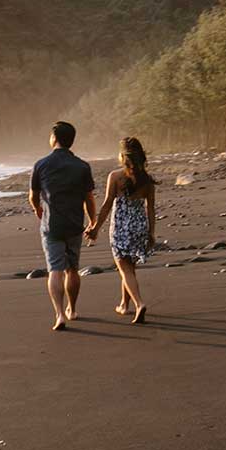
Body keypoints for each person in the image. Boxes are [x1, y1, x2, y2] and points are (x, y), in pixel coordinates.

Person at [28, 120, 96, 331]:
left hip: (52, 225)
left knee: (55, 271)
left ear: (54, 138)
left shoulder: (41, 164)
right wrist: (92, 222)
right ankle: (72, 309)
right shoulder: (82, 166)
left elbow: (33, 196)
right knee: (72, 270)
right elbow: (89, 199)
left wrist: (39, 210)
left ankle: (59, 314)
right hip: (75, 223)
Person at [86, 135, 156, 324]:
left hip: (121, 228)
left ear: (123, 156)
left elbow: (107, 205)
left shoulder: (115, 177)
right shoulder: (147, 180)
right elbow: (151, 209)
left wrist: (95, 228)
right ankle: (124, 305)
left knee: (124, 268)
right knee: (129, 267)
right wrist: (151, 233)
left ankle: (139, 303)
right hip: (140, 226)